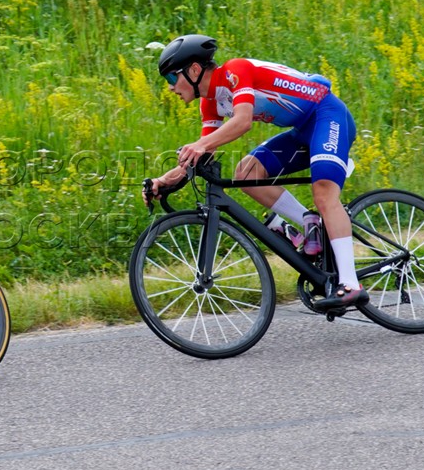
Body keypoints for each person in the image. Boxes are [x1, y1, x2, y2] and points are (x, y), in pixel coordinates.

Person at [147, 35, 367, 310]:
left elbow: (241, 122)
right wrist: (163, 181)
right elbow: (203, 154)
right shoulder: (210, 102)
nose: (170, 88)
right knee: (246, 174)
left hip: (328, 114)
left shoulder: (234, 71)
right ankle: (309, 222)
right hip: (302, 131)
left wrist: (201, 144)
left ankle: (350, 284)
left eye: (170, 78)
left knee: (323, 191)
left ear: (193, 70)